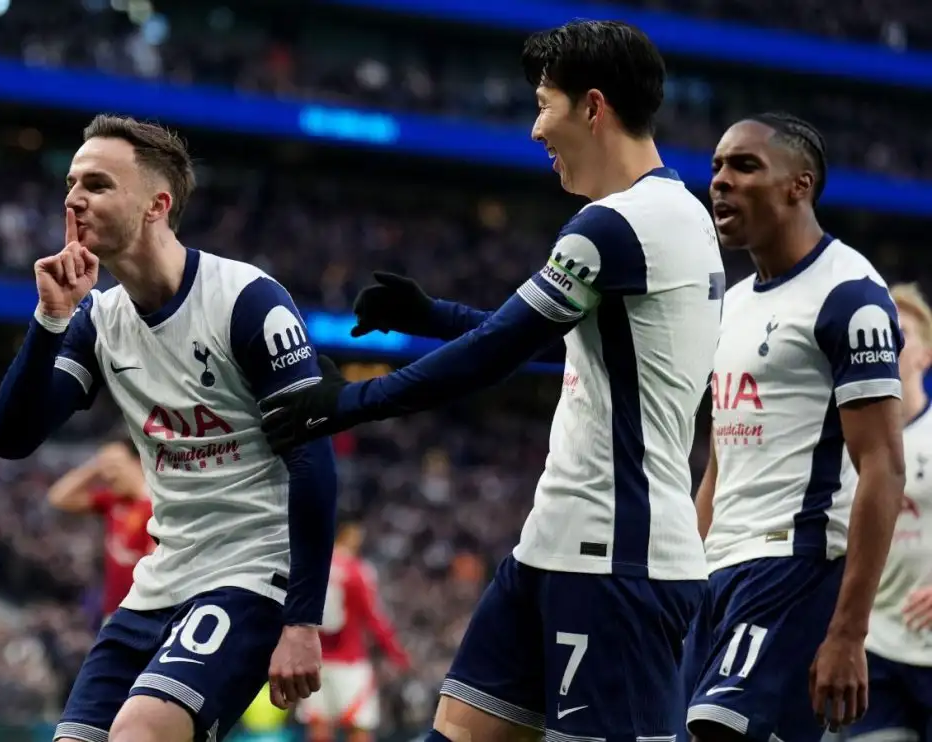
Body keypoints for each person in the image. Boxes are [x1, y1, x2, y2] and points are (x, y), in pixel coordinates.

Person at [260, 20, 722, 742]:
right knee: (459, 730)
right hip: (557, 544)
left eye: (543, 105)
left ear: (593, 107)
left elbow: (499, 351)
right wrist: (432, 315)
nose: (536, 129)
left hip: (615, 560)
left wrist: (345, 403)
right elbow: (569, 346)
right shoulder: (679, 215)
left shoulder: (615, 225)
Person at [0, 114, 338, 742]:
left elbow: (313, 458)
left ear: (157, 204)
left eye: (97, 184)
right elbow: (12, 439)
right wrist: (50, 319)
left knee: (141, 734)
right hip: (159, 581)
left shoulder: (245, 300)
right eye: (71, 184)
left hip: (252, 573)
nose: (73, 200)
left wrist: (303, 619)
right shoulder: (99, 319)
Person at [683, 113, 906, 742]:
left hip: (795, 569)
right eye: (717, 167)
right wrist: (686, 576)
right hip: (718, 575)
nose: (720, 180)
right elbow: (720, 461)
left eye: (744, 165)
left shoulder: (851, 295)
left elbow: (884, 468)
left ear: (798, 185)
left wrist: (849, 632)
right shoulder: (730, 304)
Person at [847, 283, 932, 742]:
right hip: (873, 647)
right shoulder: (846, 445)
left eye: (902, 336)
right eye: (883, 335)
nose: (890, 345)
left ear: (926, 356)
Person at [296, 519, 408, 742]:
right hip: (350, 662)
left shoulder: (312, 567)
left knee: (318, 729)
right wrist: (397, 654)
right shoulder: (358, 571)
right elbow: (373, 616)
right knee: (358, 729)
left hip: (314, 660)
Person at [46, 437, 154, 624]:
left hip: (148, 613)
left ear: (138, 462)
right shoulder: (114, 501)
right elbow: (58, 497)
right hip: (115, 612)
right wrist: (94, 466)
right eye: (104, 468)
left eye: (114, 466)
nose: (107, 475)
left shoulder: (157, 507)